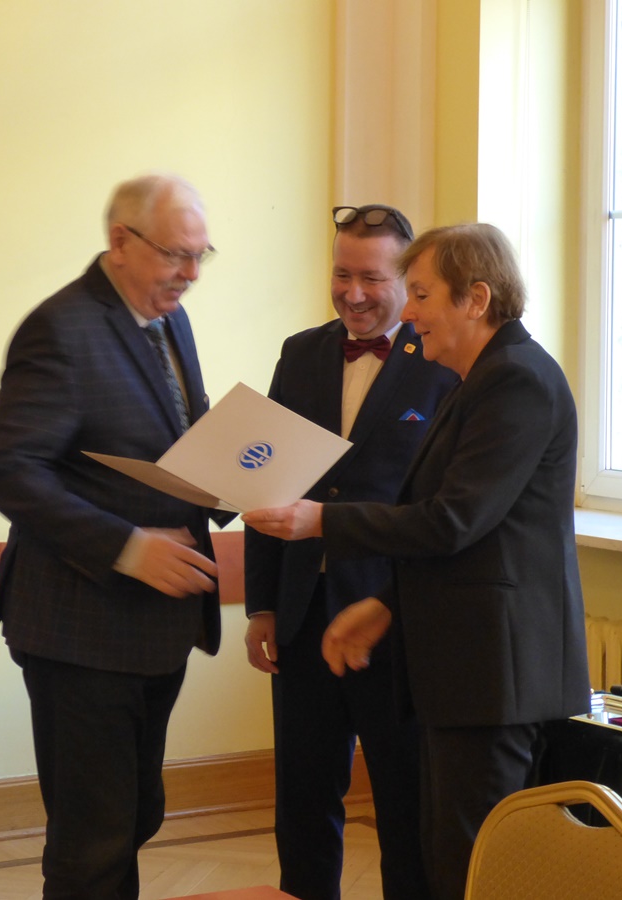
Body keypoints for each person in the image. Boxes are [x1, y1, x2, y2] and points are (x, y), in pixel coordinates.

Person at [243, 222, 590, 900]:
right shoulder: (477, 378)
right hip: (460, 664)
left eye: (422, 294)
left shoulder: (515, 379)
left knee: (469, 869)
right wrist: (385, 605)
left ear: (476, 298)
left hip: (493, 672)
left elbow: (454, 520)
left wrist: (322, 521)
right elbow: (464, 531)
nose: (409, 312)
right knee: (443, 856)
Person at [0, 173, 226, 899]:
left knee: (135, 817)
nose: (190, 274)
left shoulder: (169, 319)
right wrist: (126, 547)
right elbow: (7, 469)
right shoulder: (62, 328)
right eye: (176, 254)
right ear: (121, 241)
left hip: (157, 626)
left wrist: (244, 478)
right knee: (93, 844)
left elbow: (174, 435)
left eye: (201, 255)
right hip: (79, 631)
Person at [243, 204, 457, 900]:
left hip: (394, 617)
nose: (353, 293)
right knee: (303, 800)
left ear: (409, 282)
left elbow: (444, 511)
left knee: (405, 803)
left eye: (372, 278)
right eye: (341, 274)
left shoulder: (446, 362)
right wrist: (263, 605)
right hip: (303, 613)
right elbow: (268, 481)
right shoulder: (300, 352)